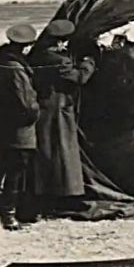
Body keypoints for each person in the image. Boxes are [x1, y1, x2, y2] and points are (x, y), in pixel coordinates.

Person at [0, 24, 40, 230]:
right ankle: (8, 214)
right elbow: (26, 103)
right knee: (15, 172)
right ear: (26, 46)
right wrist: (36, 113)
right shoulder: (15, 68)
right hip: (17, 130)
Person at [28, 19, 96, 208]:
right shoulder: (59, 61)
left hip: (43, 108)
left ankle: (43, 192)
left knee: (46, 150)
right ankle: (66, 194)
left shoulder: (38, 55)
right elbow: (80, 78)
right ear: (60, 41)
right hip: (58, 109)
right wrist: (88, 62)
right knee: (63, 152)